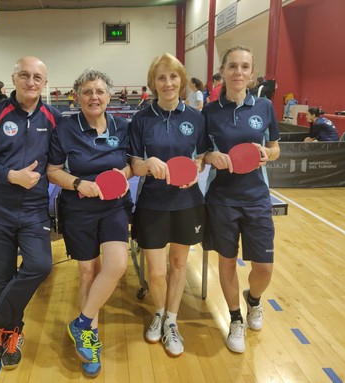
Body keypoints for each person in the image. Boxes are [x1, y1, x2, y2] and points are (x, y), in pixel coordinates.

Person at [0, 56, 61, 370]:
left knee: (40, 265)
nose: (31, 82)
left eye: (37, 77)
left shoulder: (53, 118)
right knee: (1, 277)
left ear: (45, 83)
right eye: (25, 75)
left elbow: (64, 159)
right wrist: (12, 176)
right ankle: (11, 334)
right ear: (14, 78)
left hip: (34, 209)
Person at [47, 68, 132, 378]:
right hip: (79, 207)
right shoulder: (65, 129)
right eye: (87, 92)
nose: (94, 96)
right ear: (77, 97)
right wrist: (79, 183)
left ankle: (81, 320)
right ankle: (89, 338)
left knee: (117, 264)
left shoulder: (122, 126)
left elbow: (131, 166)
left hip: (113, 206)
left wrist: (123, 175)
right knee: (87, 270)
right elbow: (53, 170)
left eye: (99, 91)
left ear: (109, 96)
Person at [201, 45, 280, 354]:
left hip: (257, 196)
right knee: (227, 260)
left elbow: (275, 148)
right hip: (222, 198)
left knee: (264, 268)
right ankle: (235, 317)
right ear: (223, 71)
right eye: (232, 66)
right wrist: (211, 156)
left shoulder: (264, 107)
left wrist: (267, 154)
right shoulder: (209, 111)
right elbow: (200, 155)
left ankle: (254, 300)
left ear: (251, 73)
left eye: (244, 67)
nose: (238, 72)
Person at [129, 53, 206, 358]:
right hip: (153, 203)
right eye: (161, 77)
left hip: (187, 201)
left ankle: (171, 321)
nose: (168, 83)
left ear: (181, 80)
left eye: (173, 77)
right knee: (156, 270)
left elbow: (200, 157)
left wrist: (195, 169)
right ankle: (158, 311)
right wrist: (148, 163)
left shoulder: (196, 118)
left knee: (177, 264)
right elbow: (134, 165)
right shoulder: (141, 119)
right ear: (153, 83)